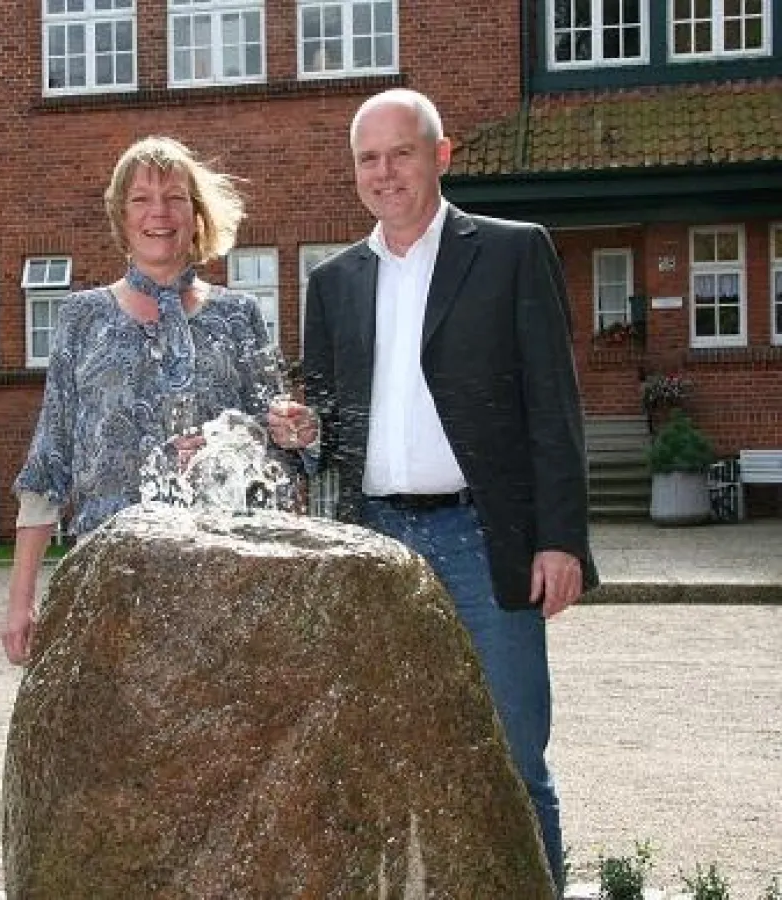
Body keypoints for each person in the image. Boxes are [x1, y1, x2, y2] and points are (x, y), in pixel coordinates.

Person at [302, 88, 598, 894]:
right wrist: (301, 433)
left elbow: (553, 405)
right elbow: (328, 431)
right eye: (369, 158)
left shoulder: (508, 251)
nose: (384, 172)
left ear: (441, 154)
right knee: (379, 755)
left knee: (512, 757)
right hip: (376, 549)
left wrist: (560, 537)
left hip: (480, 539)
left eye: (401, 152)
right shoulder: (333, 282)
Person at [1, 136, 317, 668]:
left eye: (175, 198)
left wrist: (291, 432)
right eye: (142, 199)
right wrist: (20, 600)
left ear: (196, 216)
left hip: (224, 581)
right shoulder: (82, 319)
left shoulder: (240, 318)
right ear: (121, 217)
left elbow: (278, 456)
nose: (159, 213)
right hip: (110, 582)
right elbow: (48, 462)